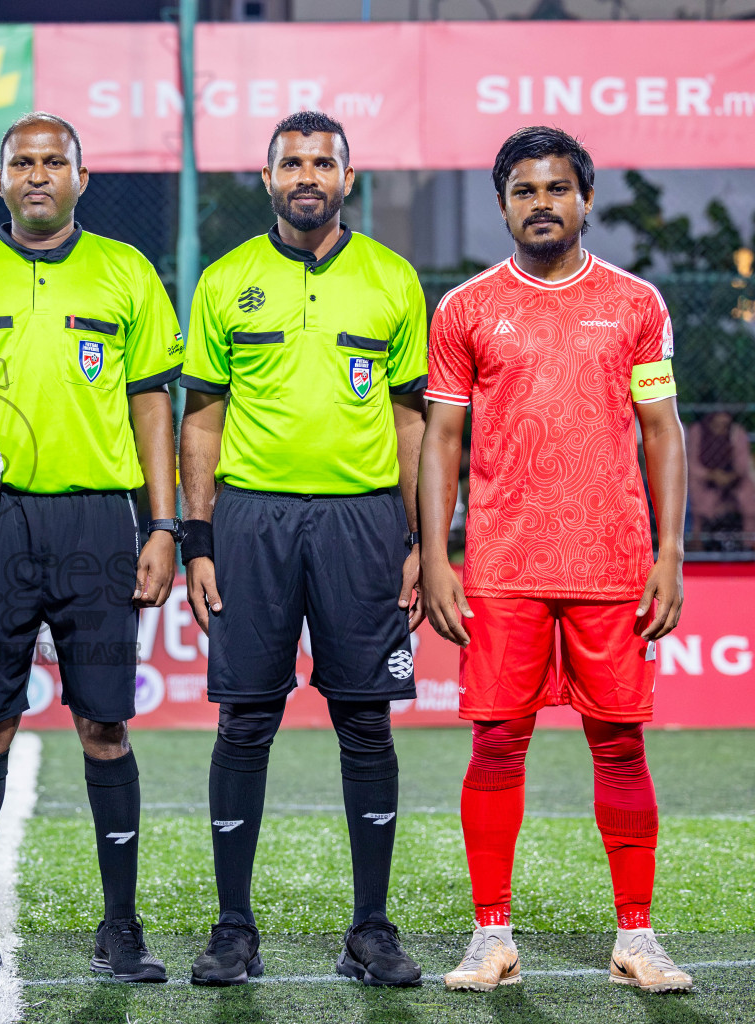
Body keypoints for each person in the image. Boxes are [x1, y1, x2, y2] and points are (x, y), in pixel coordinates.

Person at [0, 112, 183, 984]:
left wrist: (165, 525)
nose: (36, 174)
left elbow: (150, 409)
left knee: (105, 724)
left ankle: (122, 926)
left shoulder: (126, 271)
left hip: (99, 525)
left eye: (52, 160)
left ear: (80, 176)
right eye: (20, 162)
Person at [422, 126, 693, 995]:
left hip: (614, 564)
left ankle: (637, 940)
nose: (542, 202)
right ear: (504, 205)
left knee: (621, 748)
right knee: (497, 744)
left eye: (557, 189)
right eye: (524, 190)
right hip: (501, 566)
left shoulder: (637, 304)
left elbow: (662, 431)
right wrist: (435, 554)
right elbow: (442, 441)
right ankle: (491, 936)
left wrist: (671, 550)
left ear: (584, 200)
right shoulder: (463, 309)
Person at [178, 111, 427, 987]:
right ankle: (233, 929)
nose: (307, 175)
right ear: (268, 176)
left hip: (363, 524)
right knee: (246, 719)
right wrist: (197, 536)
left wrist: (422, 543)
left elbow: (411, 422)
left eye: (323, 162)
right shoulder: (224, 280)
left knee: (365, 721)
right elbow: (201, 418)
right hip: (251, 523)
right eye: (292, 162)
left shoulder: (393, 280)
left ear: (347, 179)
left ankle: (371, 929)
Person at [687, 411, 755, 548]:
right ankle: (696, 541)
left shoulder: (737, 433)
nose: (721, 429)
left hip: (732, 479)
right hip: (705, 479)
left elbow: (742, 464)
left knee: (748, 491)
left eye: (725, 426)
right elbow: (691, 464)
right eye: (717, 425)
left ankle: (749, 542)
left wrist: (729, 476)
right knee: (694, 487)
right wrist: (711, 475)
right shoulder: (697, 431)